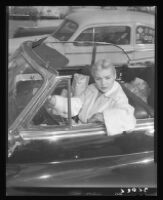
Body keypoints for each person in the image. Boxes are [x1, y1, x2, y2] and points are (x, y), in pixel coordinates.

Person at [47, 59, 136, 136]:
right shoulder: (92, 88)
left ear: (115, 76)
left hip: (97, 138)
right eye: (98, 79)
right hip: (80, 129)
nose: (103, 83)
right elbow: (77, 103)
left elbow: (129, 119)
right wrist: (56, 101)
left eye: (107, 78)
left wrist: (100, 117)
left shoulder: (118, 97)